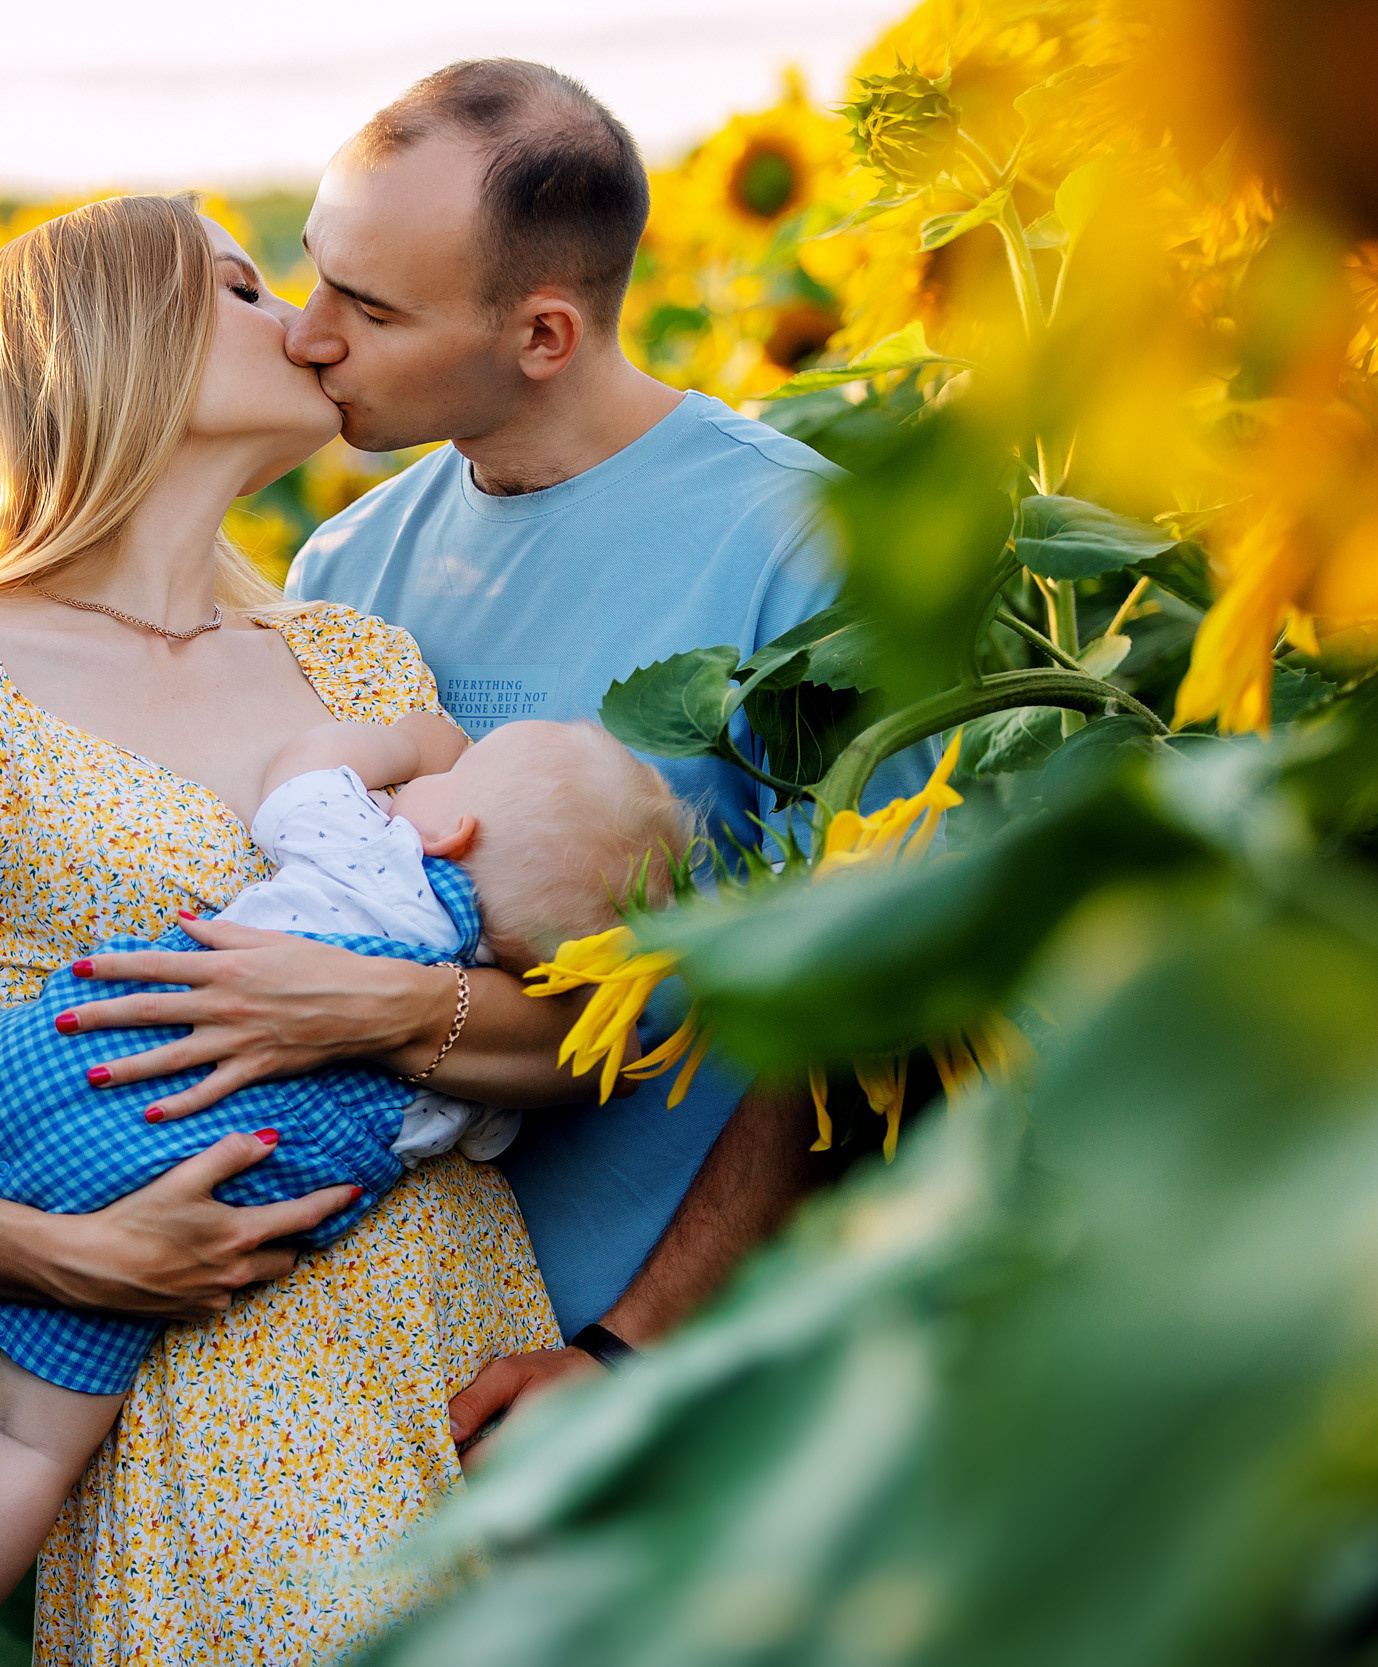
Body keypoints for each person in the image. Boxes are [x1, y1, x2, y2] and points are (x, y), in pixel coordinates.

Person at [0, 193, 583, 1665]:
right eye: (247, 289)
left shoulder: (359, 659)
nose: (310, 326)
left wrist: (378, 1016)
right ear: (115, 337)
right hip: (198, 1399)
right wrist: (73, 1261)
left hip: (471, 1356)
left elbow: (564, 1032)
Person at [0, 714, 685, 1662]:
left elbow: (300, 774)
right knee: (31, 1441)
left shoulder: (357, 843)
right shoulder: (450, 1094)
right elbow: (501, 1110)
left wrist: (411, 740)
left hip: (79, 1052)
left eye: (439, 779)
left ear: (448, 819)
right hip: (162, 1220)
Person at [265, 59, 944, 1441]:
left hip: (692, 1385)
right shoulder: (346, 557)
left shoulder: (804, 550)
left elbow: (857, 1012)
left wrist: (627, 1351)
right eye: (316, 275)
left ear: (545, 335)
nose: (308, 334)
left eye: (371, 307)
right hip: (376, 1370)